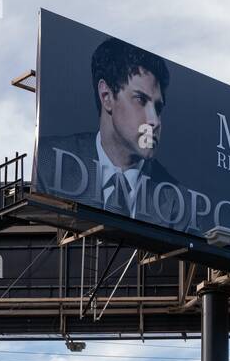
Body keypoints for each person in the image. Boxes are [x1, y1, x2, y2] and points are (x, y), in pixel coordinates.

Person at [37, 36, 182, 224]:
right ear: (106, 96)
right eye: (140, 100)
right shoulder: (48, 161)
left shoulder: (177, 200)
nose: (154, 121)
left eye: (158, 108)